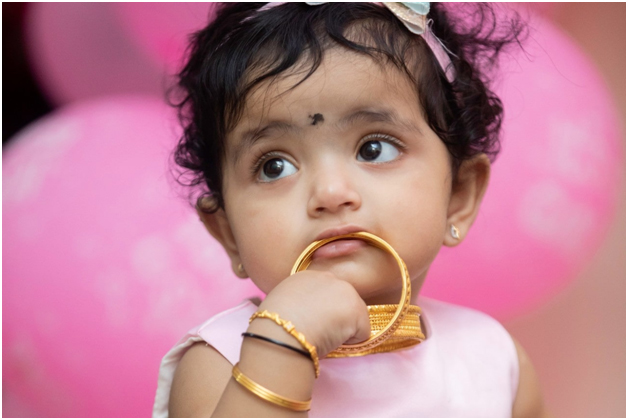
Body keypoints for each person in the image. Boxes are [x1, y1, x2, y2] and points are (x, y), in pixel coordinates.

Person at [153, 2, 547, 417]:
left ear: (459, 196)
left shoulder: (492, 358)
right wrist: (281, 345)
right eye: (274, 166)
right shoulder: (220, 359)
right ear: (228, 232)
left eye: (373, 149)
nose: (330, 192)